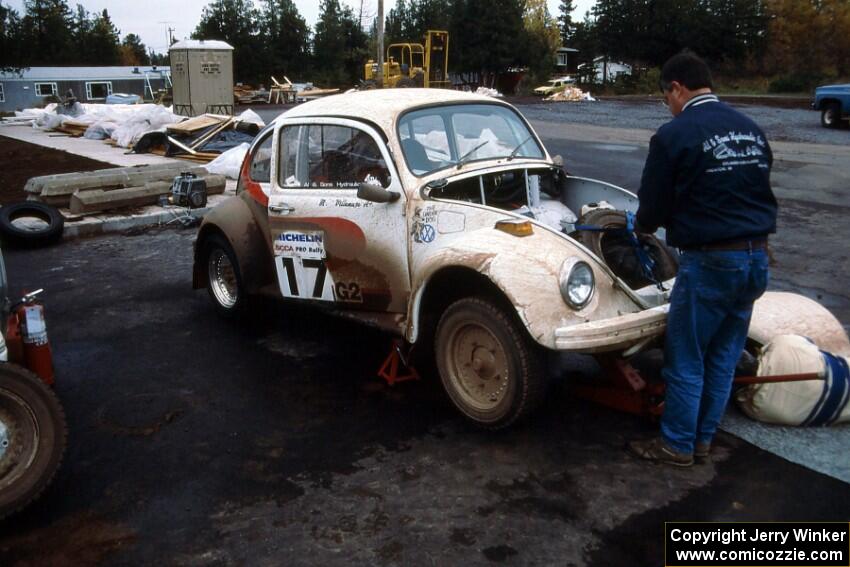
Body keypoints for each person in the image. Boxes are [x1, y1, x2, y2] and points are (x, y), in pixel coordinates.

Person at [628, 51, 778, 467]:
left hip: (712, 261)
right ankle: (702, 441)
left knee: (687, 356)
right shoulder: (751, 129)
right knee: (724, 356)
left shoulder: (673, 135)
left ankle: (675, 444)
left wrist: (638, 227)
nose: (668, 106)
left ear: (676, 88)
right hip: (756, 259)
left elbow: (651, 212)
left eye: (666, 97)